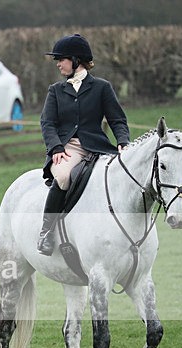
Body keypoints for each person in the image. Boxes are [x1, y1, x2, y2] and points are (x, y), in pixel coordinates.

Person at [37, 34, 130, 256]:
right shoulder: (56, 91)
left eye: (61, 59)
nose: (58, 64)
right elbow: (47, 123)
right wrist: (56, 148)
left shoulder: (101, 87)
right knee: (61, 176)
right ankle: (46, 232)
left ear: (76, 60)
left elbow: (117, 120)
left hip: (98, 146)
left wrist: (123, 142)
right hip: (69, 147)